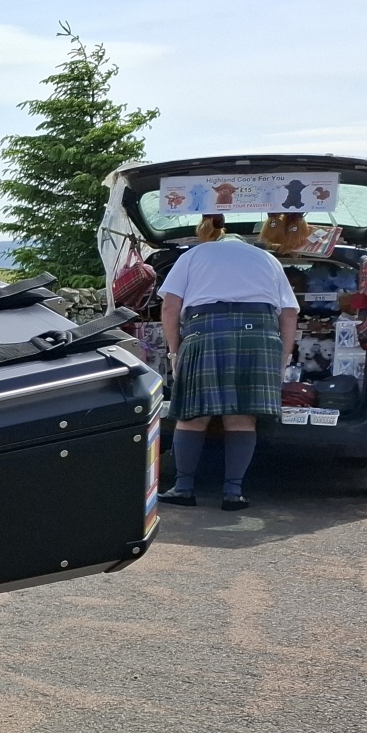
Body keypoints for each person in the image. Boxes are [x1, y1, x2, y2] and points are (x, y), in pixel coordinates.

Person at [157, 215, 299, 511]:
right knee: (242, 415)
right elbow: (289, 314)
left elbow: (170, 307)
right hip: (259, 336)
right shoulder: (268, 260)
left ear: (215, 236)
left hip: (205, 332)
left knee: (193, 415)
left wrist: (174, 352)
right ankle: (233, 492)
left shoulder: (193, 255)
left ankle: (183, 488)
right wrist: (283, 359)